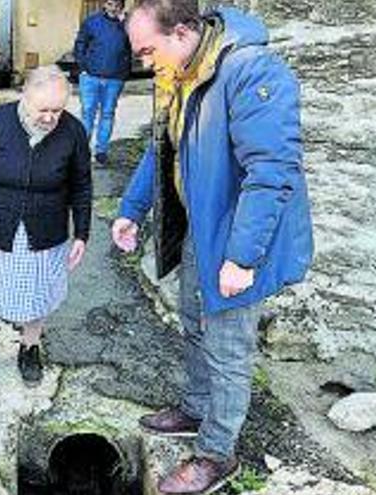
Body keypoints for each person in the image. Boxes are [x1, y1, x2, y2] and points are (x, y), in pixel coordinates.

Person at [113, 1, 313, 493]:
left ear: (181, 32)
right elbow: (161, 147)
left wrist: (242, 258)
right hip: (200, 230)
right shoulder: (181, 71)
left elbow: (271, 172)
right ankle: (196, 408)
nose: (144, 62)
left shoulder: (250, 70)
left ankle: (217, 455)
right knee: (191, 321)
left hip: (236, 236)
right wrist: (131, 209)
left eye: (147, 50)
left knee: (228, 349)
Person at [0, 66, 92, 390]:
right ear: (24, 97)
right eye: (42, 110)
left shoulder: (73, 131)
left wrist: (83, 233)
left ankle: (30, 348)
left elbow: (82, 184)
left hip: (46, 227)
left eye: (57, 110)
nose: (50, 117)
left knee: (39, 292)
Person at [73, 0, 131, 165]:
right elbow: (80, 44)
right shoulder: (91, 22)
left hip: (115, 78)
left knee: (107, 114)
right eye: (110, 4)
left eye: (117, 5)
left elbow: (134, 45)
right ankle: (82, 151)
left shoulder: (127, 25)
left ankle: (101, 151)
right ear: (104, 4)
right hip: (90, 77)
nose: (113, 8)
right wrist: (84, 67)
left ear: (122, 6)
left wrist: (125, 25)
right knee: (87, 114)